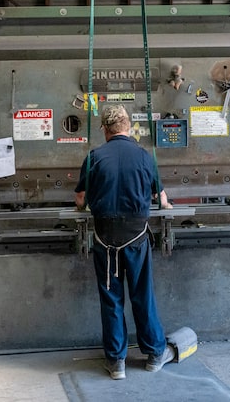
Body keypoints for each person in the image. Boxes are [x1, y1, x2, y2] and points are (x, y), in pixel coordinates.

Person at [74, 104, 175, 380]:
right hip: (136, 239)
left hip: (104, 239)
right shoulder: (145, 157)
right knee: (142, 296)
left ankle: (116, 362)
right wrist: (161, 202)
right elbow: (162, 199)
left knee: (111, 299)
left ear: (105, 130)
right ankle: (155, 354)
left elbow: (81, 199)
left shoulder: (94, 156)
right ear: (128, 127)